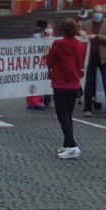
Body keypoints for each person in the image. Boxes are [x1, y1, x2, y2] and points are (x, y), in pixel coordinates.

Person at [46, 18, 87, 159]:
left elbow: (50, 60)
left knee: (62, 115)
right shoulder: (80, 45)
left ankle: (72, 145)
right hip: (74, 83)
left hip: (61, 83)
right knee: (68, 115)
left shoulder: (59, 44)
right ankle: (67, 143)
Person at [82, 5, 106, 119]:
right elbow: (81, 36)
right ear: (93, 13)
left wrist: (97, 36)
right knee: (89, 84)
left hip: (104, 57)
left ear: (103, 13)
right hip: (90, 56)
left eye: (100, 12)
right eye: (96, 12)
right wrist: (82, 34)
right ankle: (87, 108)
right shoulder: (86, 24)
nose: (98, 14)